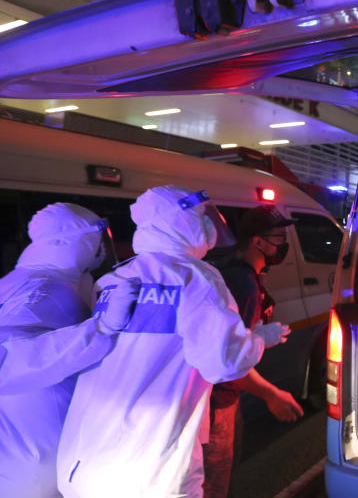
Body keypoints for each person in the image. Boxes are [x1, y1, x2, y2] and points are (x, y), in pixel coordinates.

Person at [56, 186, 291, 498]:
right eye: (200, 217)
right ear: (179, 223)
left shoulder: (113, 279)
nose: (209, 226)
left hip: (82, 464)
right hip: (150, 471)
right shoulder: (193, 277)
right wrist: (259, 339)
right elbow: (223, 363)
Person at [0, 203, 139, 498]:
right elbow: (6, 363)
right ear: (67, 241)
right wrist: (99, 331)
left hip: (43, 458)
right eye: (96, 237)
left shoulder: (48, 282)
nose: (102, 246)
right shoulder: (36, 289)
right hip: (31, 468)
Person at [203, 205, 305, 498]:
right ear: (258, 242)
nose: (284, 243)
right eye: (279, 236)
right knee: (213, 483)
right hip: (216, 404)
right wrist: (272, 394)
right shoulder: (242, 284)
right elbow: (230, 362)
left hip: (219, 401)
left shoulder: (230, 270)